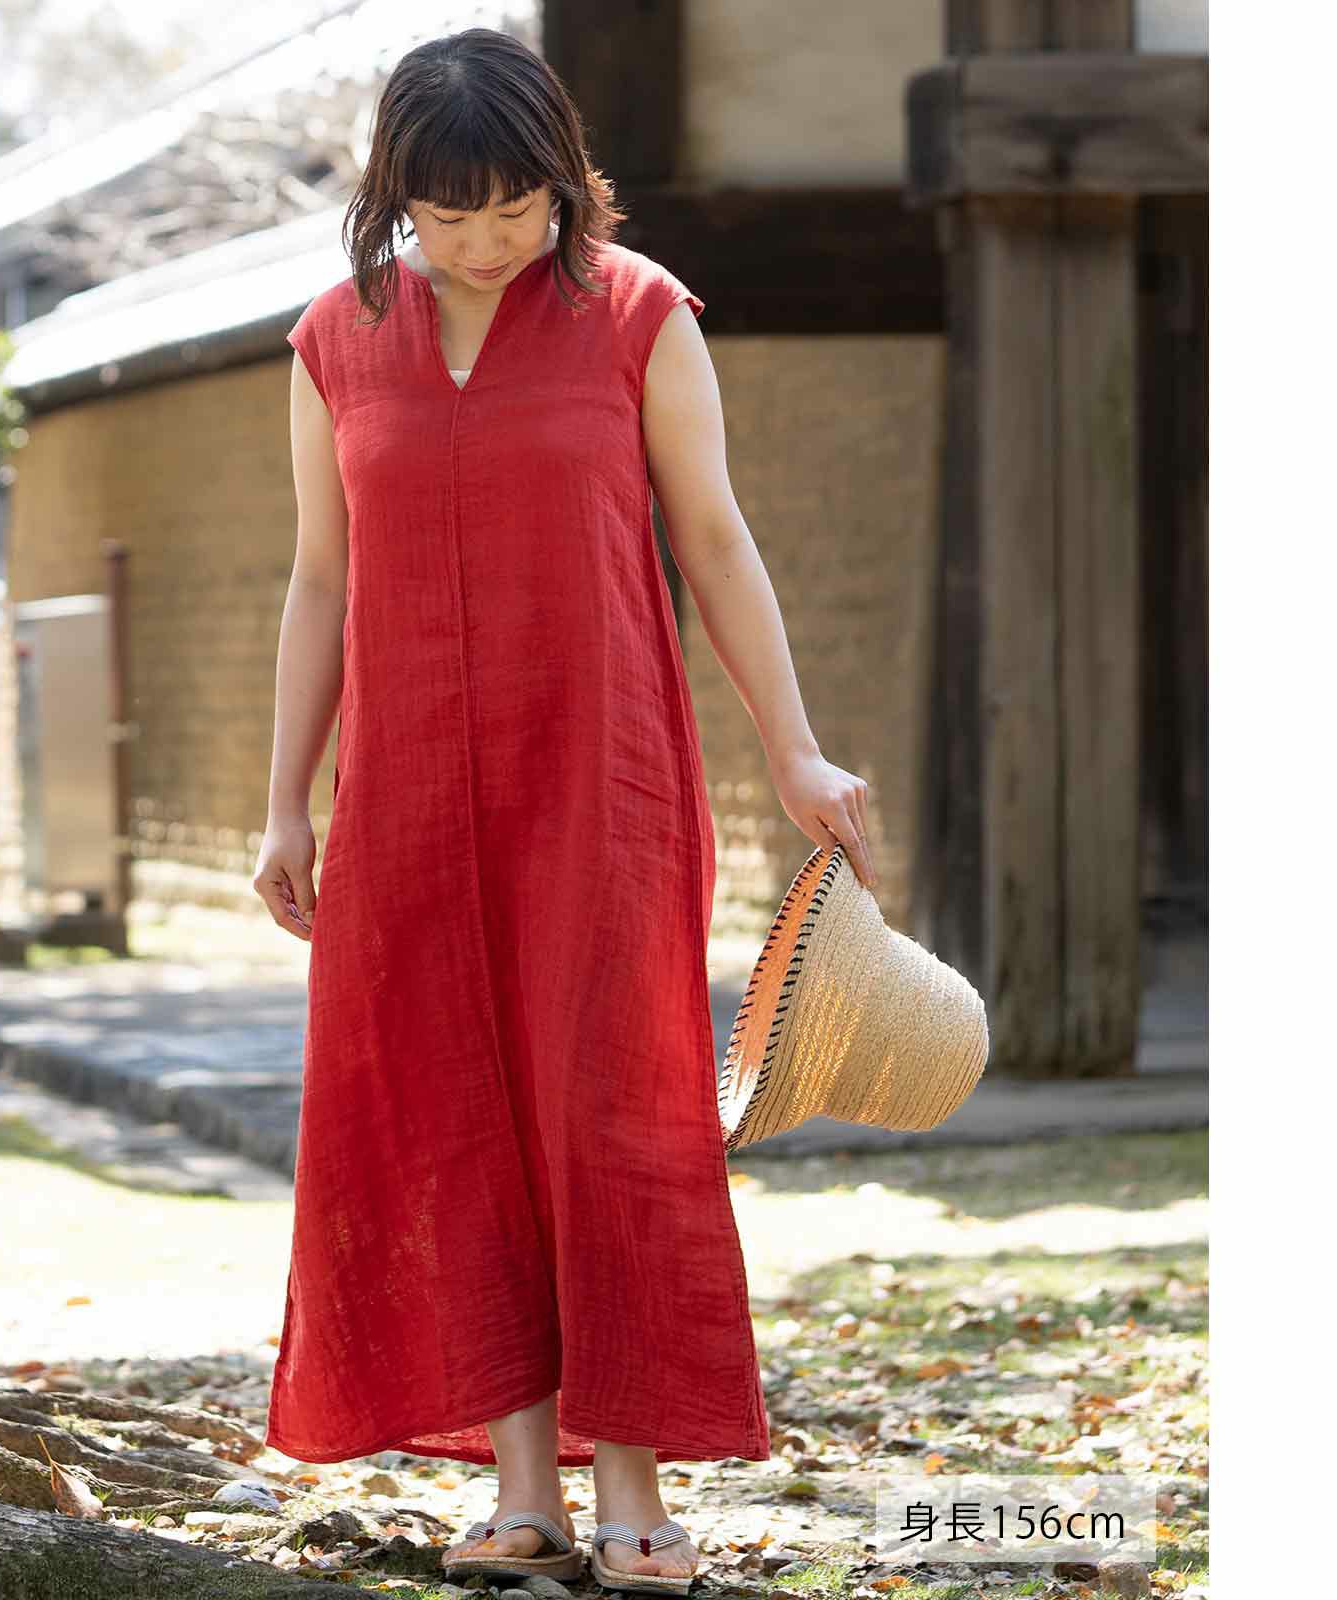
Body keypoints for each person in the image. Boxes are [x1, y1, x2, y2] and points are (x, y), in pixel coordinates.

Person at [251, 27, 878, 1592]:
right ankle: (520, 1492)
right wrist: (282, 808)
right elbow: (319, 582)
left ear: (564, 178)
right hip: (404, 801)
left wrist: (796, 752)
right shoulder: (334, 339)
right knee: (451, 1114)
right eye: (450, 214)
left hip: (603, 785)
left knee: (612, 1116)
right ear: (397, 199)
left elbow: (715, 539)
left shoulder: (638, 315)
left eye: (518, 207)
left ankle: (634, 1494)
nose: (487, 242)